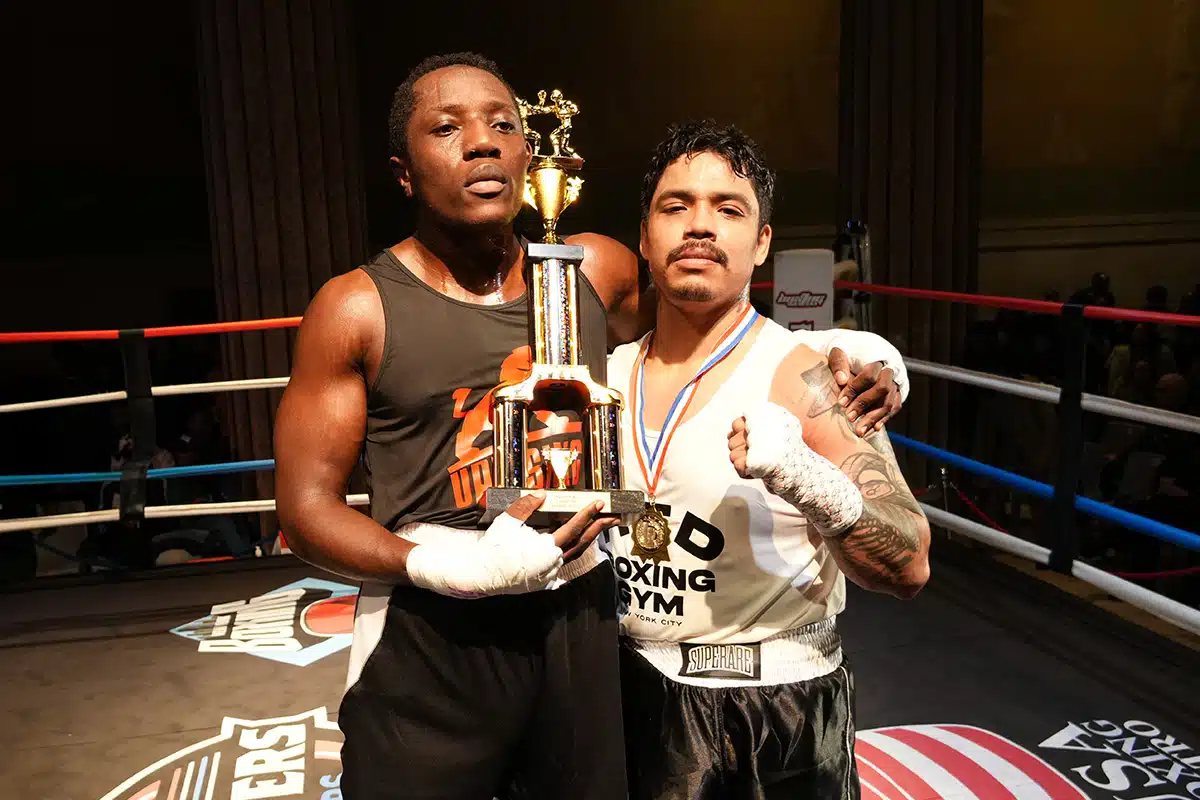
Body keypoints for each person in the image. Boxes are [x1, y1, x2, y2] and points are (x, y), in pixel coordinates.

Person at [274, 52, 907, 799]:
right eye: (446, 129)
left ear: (527, 152)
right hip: (431, 639)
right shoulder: (356, 307)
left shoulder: (593, 272)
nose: (481, 143)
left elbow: (701, 313)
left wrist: (845, 355)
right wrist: (442, 567)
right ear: (403, 172)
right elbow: (304, 511)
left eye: (502, 124)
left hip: (579, 624)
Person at [606, 120, 932, 799]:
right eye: (676, 205)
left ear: (761, 244)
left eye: (728, 209)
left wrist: (809, 480)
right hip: (627, 690)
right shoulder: (605, 376)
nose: (700, 225)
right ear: (644, 235)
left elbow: (910, 563)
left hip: (774, 714)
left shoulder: (806, 379)